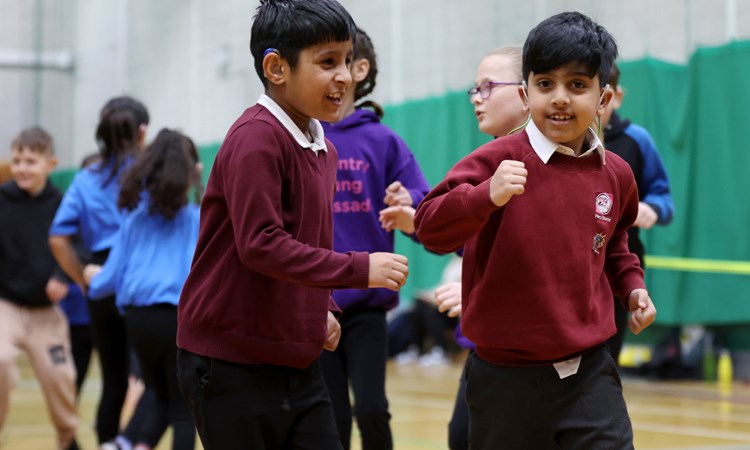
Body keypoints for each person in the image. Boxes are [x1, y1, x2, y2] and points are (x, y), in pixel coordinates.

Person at [414, 11, 657, 449]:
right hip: (505, 378)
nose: (560, 98)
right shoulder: (496, 159)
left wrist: (632, 287)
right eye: (546, 84)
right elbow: (429, 228)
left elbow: (615, 243)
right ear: (526, 95)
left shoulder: (617, 174)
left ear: (603, 99)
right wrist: (486, 194)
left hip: (590, 374)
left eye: (577, 85)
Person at [175, 1, 409, 449]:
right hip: (227, 359)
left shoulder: (323, 146)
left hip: (292, 358)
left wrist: (324, 308)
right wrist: (359, 269)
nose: (343, 75)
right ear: (276, 67)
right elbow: (262, 244)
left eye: (345, 60)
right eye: (327, 62)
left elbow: (308, 244)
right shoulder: (256, 138)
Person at [319, 27, 431, 450]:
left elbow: (424, 204)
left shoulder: (382, 140)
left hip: (367, 303)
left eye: (337, 61)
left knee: (370, 408)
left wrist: (411, 199)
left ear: (359, 69)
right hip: (316, 303)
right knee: (330, 414)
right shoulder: (306, 138)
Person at [428, 46, 531, 450]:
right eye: (474, 90)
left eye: (488, 87)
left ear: (526, 93)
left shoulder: (542, 166)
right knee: (461, 437)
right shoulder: (482, 162)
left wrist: (474, 295)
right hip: (485, 343)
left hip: (527, 354)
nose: (478, 99)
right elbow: (473, 241)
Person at [85, 129, 201, 450]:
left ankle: (133, 444)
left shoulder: (133, 221)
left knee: (160, 394)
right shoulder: (196, 220)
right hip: (175, 320)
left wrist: (89, 276)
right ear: (189, 172)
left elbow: (105, 283)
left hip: (137, 322)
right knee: (184, 409)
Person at [49, 95, 150, 448]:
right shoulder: (149, 172)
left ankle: (110, 442)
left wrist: (82, 280)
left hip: (99, 284)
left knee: (114, 381)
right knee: (158, 382)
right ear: (142, 131)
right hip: (142, 282)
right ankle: (129, 441)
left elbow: (59, 238)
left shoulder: (86, 178)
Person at [0, 127, 79, 450]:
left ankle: (67, 438)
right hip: (6, 306)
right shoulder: (2, 199)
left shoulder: (63, 203)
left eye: (31, 161)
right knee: (0, 361)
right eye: (17, 160)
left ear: (51, 164)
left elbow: (80, 244)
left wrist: (63, 274)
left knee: (59, 378)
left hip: (46, 313)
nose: (22, 168)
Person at [601, 63, 674, 365]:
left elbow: (664, 199)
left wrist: (652, 208)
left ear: (616, 97)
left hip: (619, 266)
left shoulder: (637, 140)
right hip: (575, 267)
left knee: (606, 359)